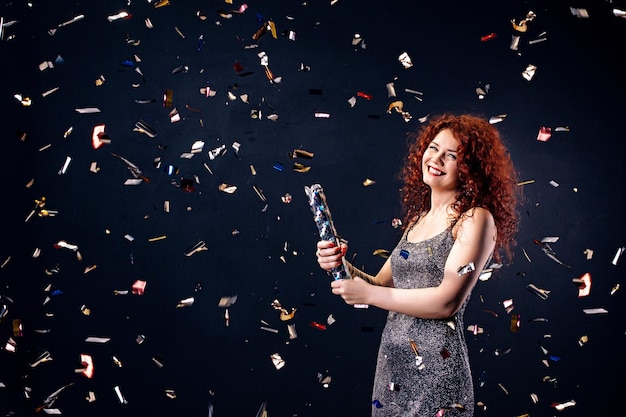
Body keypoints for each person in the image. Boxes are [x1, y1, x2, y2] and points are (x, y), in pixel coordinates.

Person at [316, 114, 519, 417]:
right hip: (393, 372)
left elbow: (447, 302)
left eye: (451, 156)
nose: (436, 159)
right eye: (433, 148)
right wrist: (339, 263)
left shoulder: (475, 219)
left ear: (471, 169)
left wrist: (367, 295)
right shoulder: (418, 220)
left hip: (438, 372)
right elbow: (381, 285)